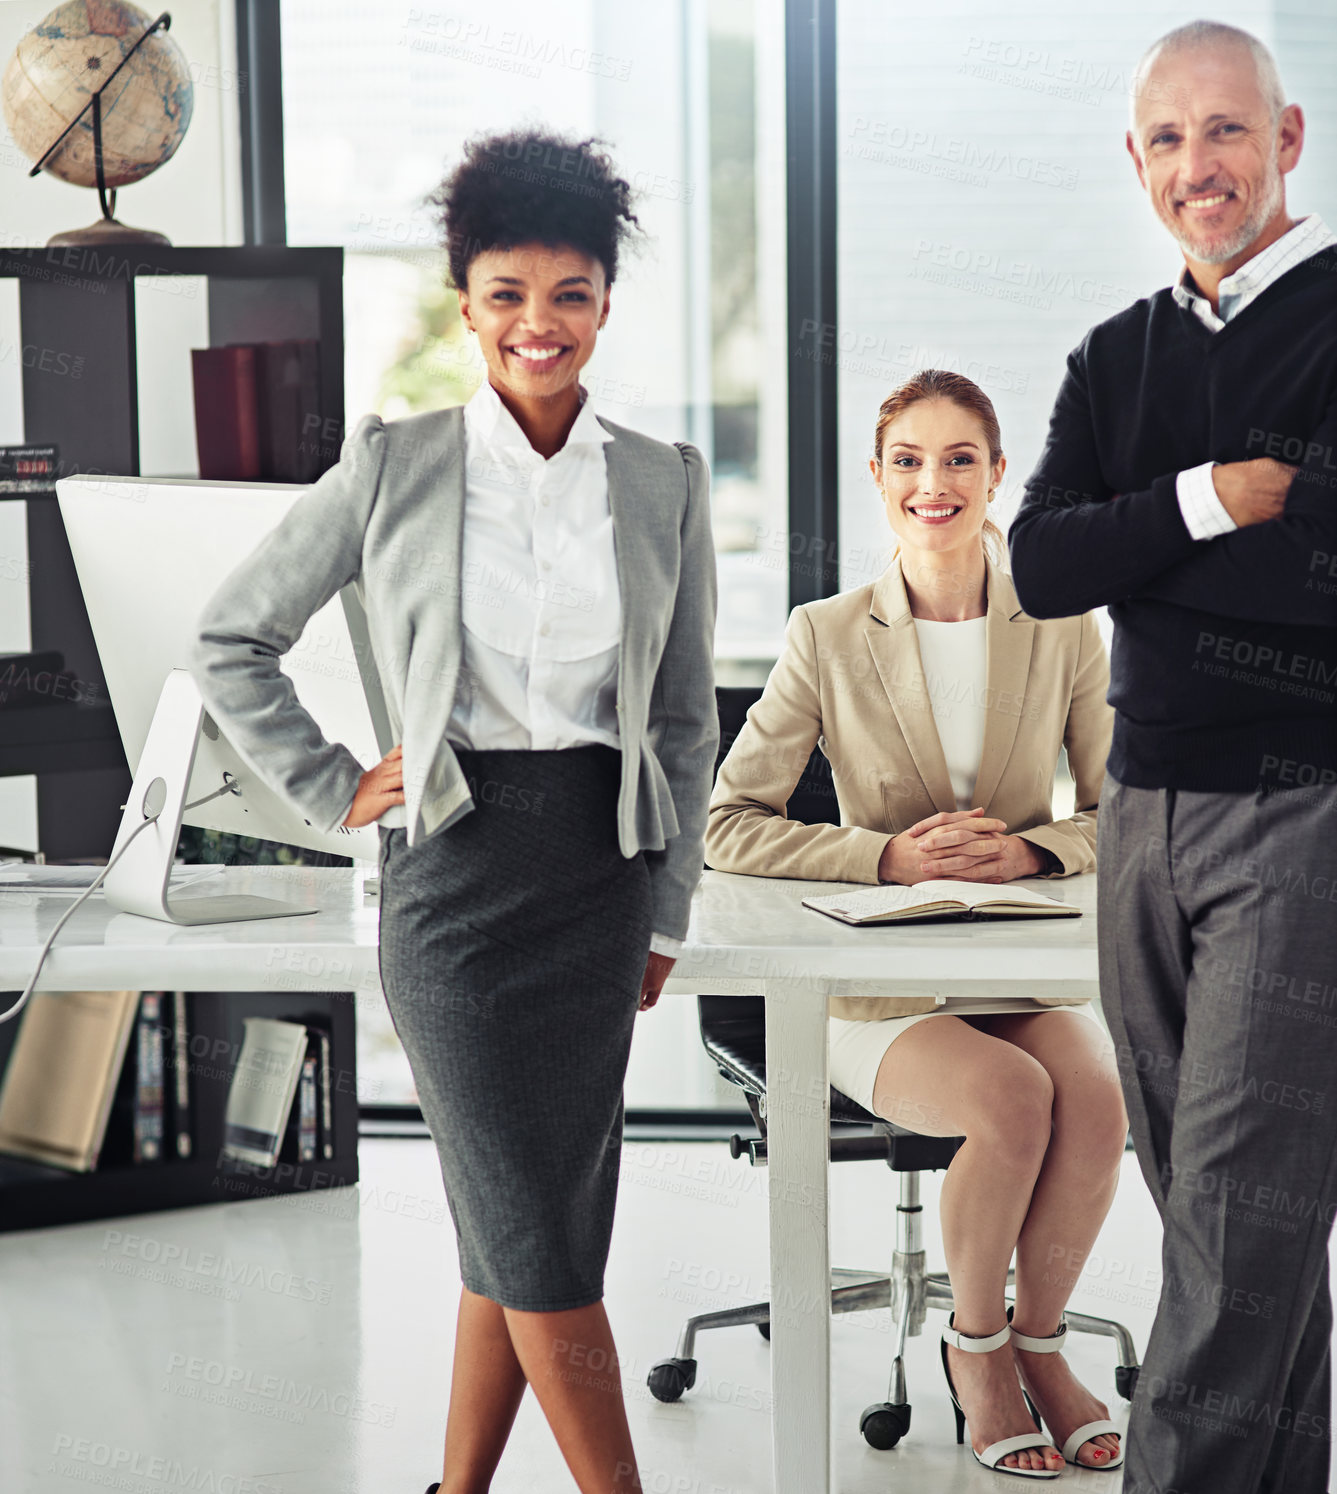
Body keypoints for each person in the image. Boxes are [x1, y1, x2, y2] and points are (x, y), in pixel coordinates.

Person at [189, 128, 718, 1494]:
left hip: (599, 879)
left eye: (569, 295)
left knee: (523, 1223)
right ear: (463, 299)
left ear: (604, 301)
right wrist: (325, 785)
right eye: (505, 293)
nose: (537, 325)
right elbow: (232, 634)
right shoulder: (397, 463)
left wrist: (667, 906)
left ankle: (454, 1487)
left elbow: (678, 719)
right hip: (455, 883)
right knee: (538, 1230)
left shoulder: (662, 482)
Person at [1009, 21, 1337, 1494]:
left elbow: (1316, 574)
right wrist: (1209, 500)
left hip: (1299, 814)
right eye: (1165, 139)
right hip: (1137, 813)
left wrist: (1132, 538)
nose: (1196, 167)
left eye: (1224, 132)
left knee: (1228, 1209)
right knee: (1234, 1220)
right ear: (1133, 161)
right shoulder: (1115, 353)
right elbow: (1034, 565)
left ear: (1289, 139)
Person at [707, 369, 1127, 1478]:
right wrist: (880, 856)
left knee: (1093, 1098)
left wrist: (1034, 847)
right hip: (879, 981)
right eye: (906, 460)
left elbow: (1121, 806)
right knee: (1009, 1098)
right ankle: (974, 1348)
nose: (930, 483)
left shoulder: (1061, 627)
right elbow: (727, 820)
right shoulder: (826, 633)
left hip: (1003, 961)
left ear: (995, 477)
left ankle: (1039, 1341)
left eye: (956, 460)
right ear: (876, 477)